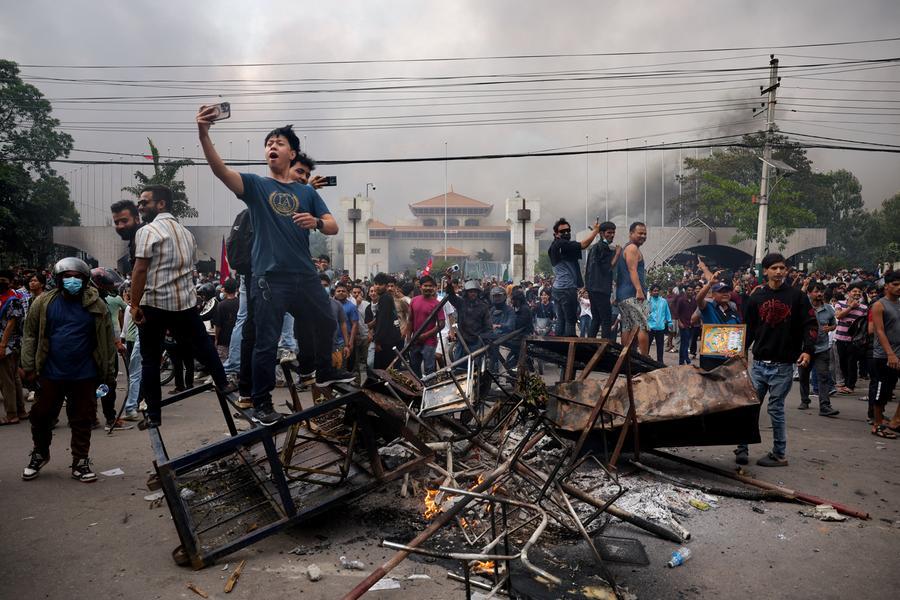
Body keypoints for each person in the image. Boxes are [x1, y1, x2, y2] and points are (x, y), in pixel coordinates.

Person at [198, 110, 352, 424]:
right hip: (270, 279)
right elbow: (220, 171)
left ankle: (324, 372)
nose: (272, 146)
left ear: (291, 153)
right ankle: (262, 403)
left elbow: (334, 226)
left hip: (305, 276)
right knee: (266, 342)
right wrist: (204, 134)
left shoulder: (306, 192)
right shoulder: (256, 186)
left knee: (325, 319)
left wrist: (317, 222)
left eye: (278, 143)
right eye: (268, 143)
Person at [129, 185, 232, 429]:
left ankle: (154, 415)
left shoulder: (148, 231)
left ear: (161, 204)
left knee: (150, 360)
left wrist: (134, 304)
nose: (140, 206)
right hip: (184, 304)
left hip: (154, 303)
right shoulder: (187, 234)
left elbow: (140, 269)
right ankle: (224, 383)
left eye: (145, 202)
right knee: (204, 345)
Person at [20, 258, 116, 483]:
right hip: (51, 373)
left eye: (77, 277)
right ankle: (40, 453)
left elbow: (106, 341)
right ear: (58, 279)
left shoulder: (97, 305)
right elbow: (31, 335)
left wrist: (108, 372)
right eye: (67, 276)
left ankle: (80, 461)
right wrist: (28, 366)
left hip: (85, 374)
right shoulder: (43, 303)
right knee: (41, 416)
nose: (72, 281)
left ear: (85, 280)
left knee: (82, 419)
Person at [739, 253, 817, 467]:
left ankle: (779, 453)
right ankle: (742, 447)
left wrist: (808, 350)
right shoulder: (756, 298)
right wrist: (740, 353)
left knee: (775, 408)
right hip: (759, 364)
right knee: (750, 407)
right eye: (774, 268)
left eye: (782, 268)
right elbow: (749, 330)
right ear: (765, 271)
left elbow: (810, 324)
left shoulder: (797, 297)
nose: (779, 271)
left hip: (783, 365)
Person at [548, 218, 600, 336]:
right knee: (570, 320)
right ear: (556, 234)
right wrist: (595, 231)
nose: (566, 233)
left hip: (557, 289)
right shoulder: (561, 244)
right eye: (563, 231)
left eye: (568, 230)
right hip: (567, 289)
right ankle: (569, 347)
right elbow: (583, 244)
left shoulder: (554, 246)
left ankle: (558, 347)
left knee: (561, 319)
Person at [797, 282, 840, 416]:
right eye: (816, 291)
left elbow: (833, 324)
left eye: (821, 291)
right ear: (809, 293)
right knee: (804, 376)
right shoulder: (803, 308)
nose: (819, 294)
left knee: (823, 376)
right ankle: (805, 400)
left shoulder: (828, 309)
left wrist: (830, 328)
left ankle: (825, 406)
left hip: (822, 348)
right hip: (805, 349)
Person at [868, 272, 900, 438]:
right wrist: (890, 354)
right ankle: (877, 424)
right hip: (884, 356)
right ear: (886, 285)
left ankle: (896, 420)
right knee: (883, 391)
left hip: (898, 354)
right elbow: (879, 331)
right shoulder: (879, 305)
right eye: (895, 284)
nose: (898, 287)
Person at [695, 263, 742, 372]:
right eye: (721, 292)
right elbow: (698, 299)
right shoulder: (708, 307)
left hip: (729, 359)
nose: (725, 294)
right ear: (713, 295)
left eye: (727, 291)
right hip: (710, 358)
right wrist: (709, 284)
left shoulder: (733, 311)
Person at [615, 222, 650, 356]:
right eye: (640, 233)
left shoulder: (626, 248)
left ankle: (626, 357)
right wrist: (639, 290)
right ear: (631, 233)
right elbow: (632, 269)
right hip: (633, 294)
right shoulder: (632, 248)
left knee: (627, 327)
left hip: (623, 295)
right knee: (642, 325)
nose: (643, 236)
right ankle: (645, 358)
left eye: (645, 233)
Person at [584, 221, 621, 338]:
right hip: (601, 289)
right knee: (606, 319)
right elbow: (608, 267)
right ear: (601, 233)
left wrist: (586, 286)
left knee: (596, 318)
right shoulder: (604, 248)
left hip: (592, 288)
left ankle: (590, 344)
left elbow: (588, 269)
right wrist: (618, 253)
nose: (612, 235)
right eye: (609, 233)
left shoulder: (593, 248)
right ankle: (604, 347)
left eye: (613, 232)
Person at [0, 268, 27, 425]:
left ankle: (11, 414)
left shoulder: (12, 299)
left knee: (6, 380)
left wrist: (3, 345)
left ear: (10, 282)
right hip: (12, 344)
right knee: (14, 377)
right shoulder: (8, 296)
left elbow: (11, 323)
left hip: (8, 344)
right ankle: (21, 411)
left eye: (4, 280)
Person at [406, 275, 445, 378]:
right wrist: (409, 337)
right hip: (415, 341)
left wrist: (426, 335)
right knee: (414, 368)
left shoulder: (437, 304)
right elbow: (410, 320)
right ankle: (417, 390)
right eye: (425, 285)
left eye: (430, 286)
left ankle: (431, 391)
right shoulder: (414, 300)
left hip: (429, 342)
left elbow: (441, 324)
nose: (428, 288)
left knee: (429, 369)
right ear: (420, 287)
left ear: (433, 288)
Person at [445, 279, 492, 363]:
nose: (473, 293)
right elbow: (451, 296)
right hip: (462, 341)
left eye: (475, 291)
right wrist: (449, 283)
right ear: (466, 293)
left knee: (475, 368)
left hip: (477, 341)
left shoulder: (483, 307)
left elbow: (488, 325)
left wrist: (486, 341)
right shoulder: (461, 303)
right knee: (457, 366)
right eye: (470, 291)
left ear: (478, 293)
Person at [834, 283, 868, 395]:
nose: (857, 293)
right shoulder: (840, 303)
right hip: (840, 337)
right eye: (854, 291)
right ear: (848, 293)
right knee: (842, 362)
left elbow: (864, 324)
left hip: (854, 340)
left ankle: (850, 385)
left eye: (859, 292)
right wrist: (851, 307)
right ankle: (846, 382)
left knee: (852, 362)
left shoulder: (864, 308)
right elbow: (838, 316)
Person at [371, 273, 403, 370]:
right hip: (390, 339)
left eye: (380, 284)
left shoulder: (385, 298)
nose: (377, 286)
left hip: (386, 342)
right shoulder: (385, 297)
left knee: (383, 369)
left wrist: (377, 341)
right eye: (376, 284)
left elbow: (383, 322)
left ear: (385, 285)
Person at [213, 278, 239, 361]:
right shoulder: (240, 303)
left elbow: (218, 326)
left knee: (223, 365)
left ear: (225, 289)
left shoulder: (221, 305)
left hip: (223, 341)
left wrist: (216, 339)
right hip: (237, 341)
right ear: (236, 289)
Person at [646, 285, 673, 364]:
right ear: (651, 292)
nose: (656, 292)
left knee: (660, 347)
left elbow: (667, 312)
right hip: (650, 327)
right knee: (647, 346)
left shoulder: (663, 301)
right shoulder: (648, 301)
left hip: (660, 327)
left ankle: (660, 362)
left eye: (657, 290)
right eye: (654, 291)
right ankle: (645, 360)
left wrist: (670, 322)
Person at [674, 283, 697, 365]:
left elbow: (696, 312)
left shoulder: (694, 300)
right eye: (688, 290)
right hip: (683, 324)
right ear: (685, 291)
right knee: (685, 343)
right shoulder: (681, 300)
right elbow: (677, 312)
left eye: (691, 290)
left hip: (691, 324)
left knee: (686, 343)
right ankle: (684, 360)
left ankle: (684, 360)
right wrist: (679, 322)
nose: (690, 292)